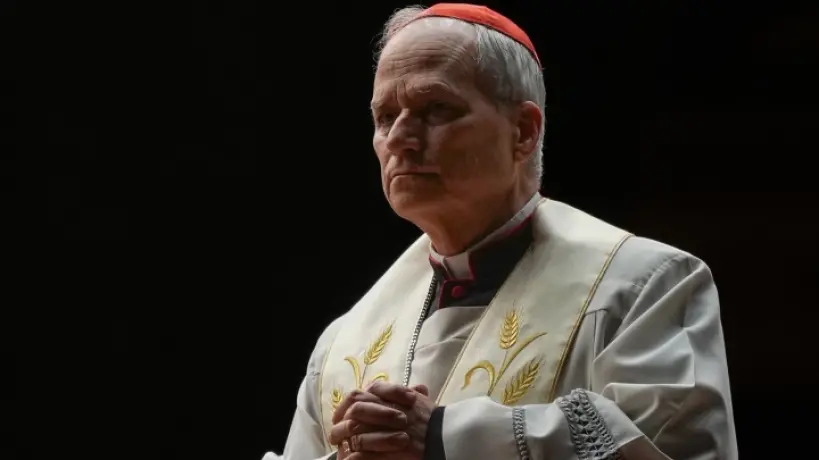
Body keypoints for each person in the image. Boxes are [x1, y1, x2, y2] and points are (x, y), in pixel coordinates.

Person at [264, 3, 738, 459]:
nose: (400, 138)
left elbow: (672, 450)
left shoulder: (645, 286)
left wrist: (445, 437)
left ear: (523, 131)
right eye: (385, 117)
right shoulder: (343, 341)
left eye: (435, 109)